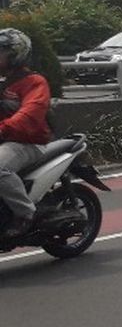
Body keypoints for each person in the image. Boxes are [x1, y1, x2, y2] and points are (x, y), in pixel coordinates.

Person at [0, 28, 53, 239]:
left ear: (15, 54)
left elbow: (29, 115)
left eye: (1, 52)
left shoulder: (35, 82)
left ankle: (25, 213)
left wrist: (3, 129)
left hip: (27, 142)